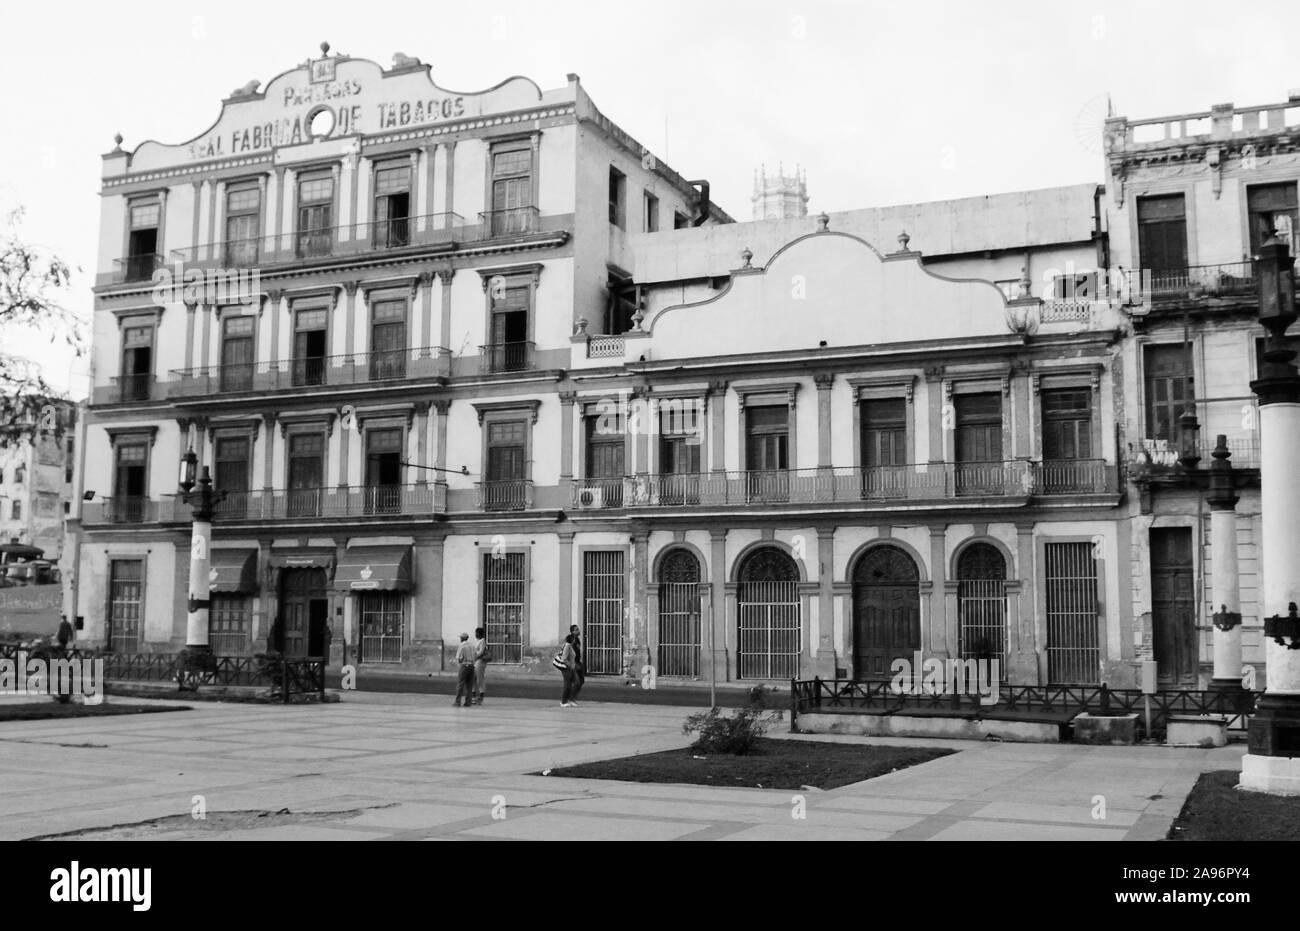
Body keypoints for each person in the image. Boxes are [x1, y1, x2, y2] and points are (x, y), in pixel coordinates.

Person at [453, 632, 476, 707]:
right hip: (472, 666)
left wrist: (456, 661)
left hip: (464, 666)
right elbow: (475, 655)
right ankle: (468, 702)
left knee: (460, 684)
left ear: (461, 639)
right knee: (469, 685)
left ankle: (457, 702)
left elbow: (459, 658)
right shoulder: (472, 646)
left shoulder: (461, 646)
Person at [558, 633, 578, 707]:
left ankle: (570, 699)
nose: (575, 640)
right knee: (567, 685)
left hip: (571, 668)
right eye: (574, 639)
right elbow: (564, 659)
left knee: (576, 682)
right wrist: (570, 666)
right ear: (572, 639)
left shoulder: (570, 646)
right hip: (566, 669)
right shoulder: (567, 646)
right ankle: (563, 701)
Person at [472, 626, 489, 706]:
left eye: (477, 633)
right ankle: (474, 697)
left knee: (479, 679)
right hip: (476, 662)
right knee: (473, 679)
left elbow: (481, 652)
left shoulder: (482, 641)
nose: (476, 634)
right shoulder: (478, 641)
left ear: (480, 633)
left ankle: (480, 697)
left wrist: (474, 657)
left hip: (480, 662)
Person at [569, 624, 585, 700]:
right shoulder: (571, 638)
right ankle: (569, 698)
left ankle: (573, 697)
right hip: (573, 663)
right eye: (576, 630)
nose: (578, 631)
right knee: (577, 682)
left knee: (581, 681)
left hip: (578, 662)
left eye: (578, 629)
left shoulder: (578, 639)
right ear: (572, 632)